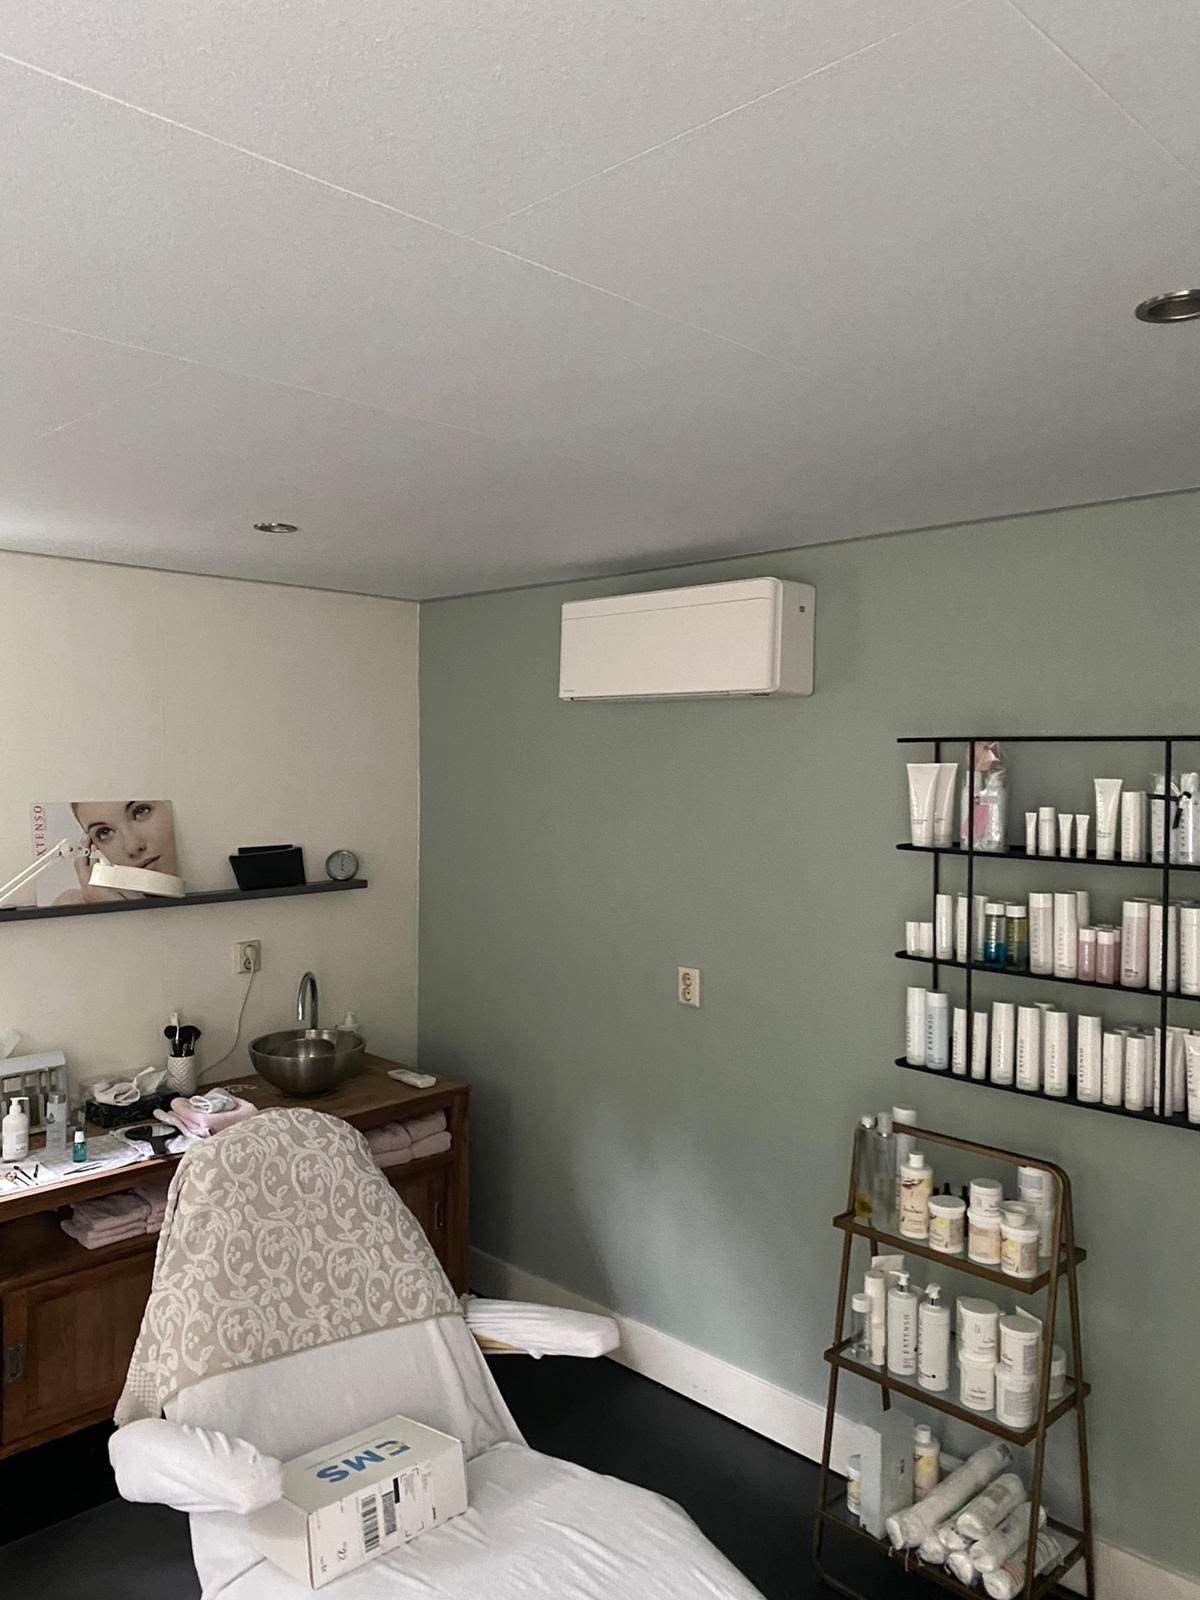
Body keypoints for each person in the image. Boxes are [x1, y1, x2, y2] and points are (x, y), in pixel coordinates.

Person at [53, 801, 179, 905]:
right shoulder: (73, 908)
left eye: (140, 811)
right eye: (105, 832)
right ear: (93, 847)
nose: (133, 847)